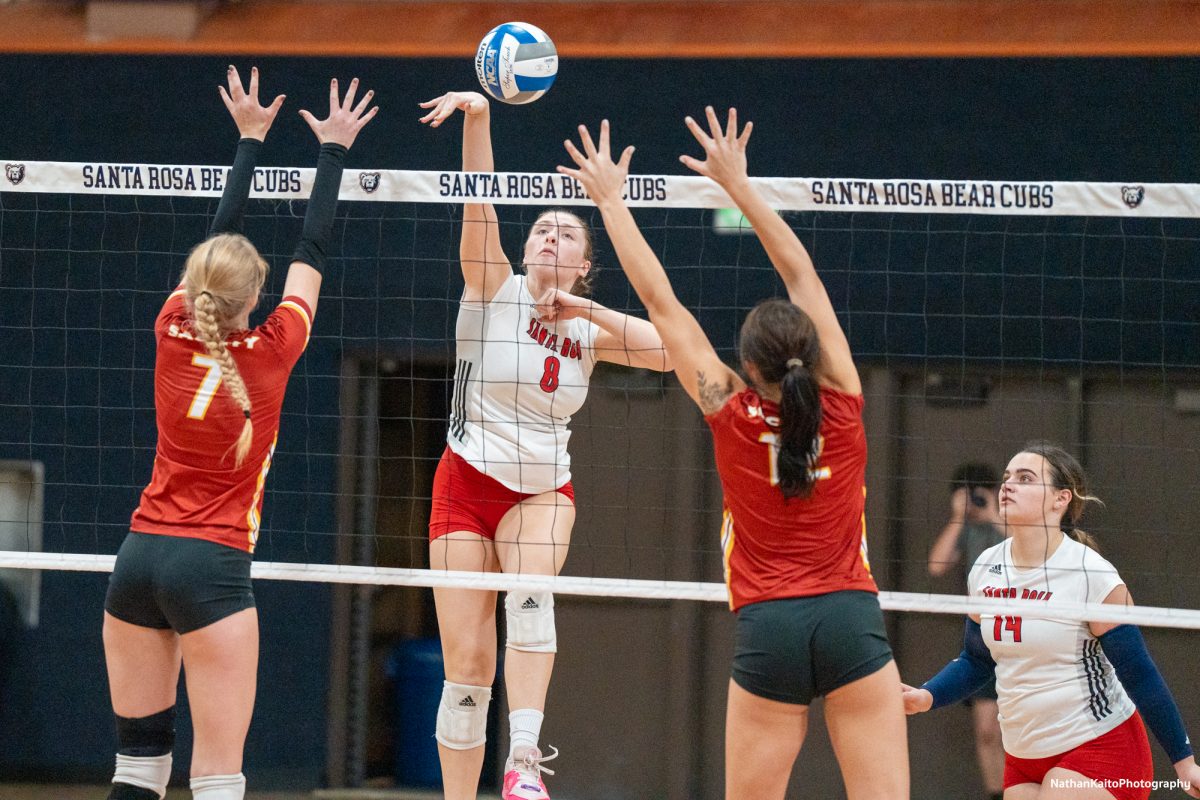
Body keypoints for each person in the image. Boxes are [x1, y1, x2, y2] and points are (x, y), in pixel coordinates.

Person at [557, 109, 909, 799]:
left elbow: (661, 301)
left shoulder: (728, 408)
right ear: (810, 353)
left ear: (748, 368)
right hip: (850, 621)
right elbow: (800, 272)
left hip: (769, 627)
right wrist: (738, 187)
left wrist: (608, 201)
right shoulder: (843, 398)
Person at [101, 67, 377, 800]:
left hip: (136, 561)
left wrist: (249, 140)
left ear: (194, 291)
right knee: (218, 777)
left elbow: (219, 241)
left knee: (138, 766)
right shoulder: (274, 349)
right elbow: (311, 253)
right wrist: (333, 152)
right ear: (256, 300)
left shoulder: (170, 327)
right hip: (210, 569)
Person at [417, 91, 672, 800]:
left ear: (585, 263)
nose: (550, 238)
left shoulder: (589, 329)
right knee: (467, 663)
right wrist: (479, 119)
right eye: (541, 230)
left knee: (530, 591)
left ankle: (524, 761)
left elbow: (672, 353)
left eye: (566, 235)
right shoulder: (491, 288)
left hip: (540, 491)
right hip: (463, 484)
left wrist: (584, 309)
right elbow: (480, 204)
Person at [902, 442, 1200, 800]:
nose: (1008, 485)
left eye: (1025, 478)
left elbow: (1138, 671)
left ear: (1061, 499)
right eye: (1008, 477)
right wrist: (928, 695)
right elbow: (977, 660)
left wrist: (1184, 761)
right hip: (1023, 755)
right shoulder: (985, 567)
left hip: (1100, 745)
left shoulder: (1091, 573)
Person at [928, 462, 1006, 800]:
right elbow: (936, 565)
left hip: (1023, 633)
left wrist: (994, 514)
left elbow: (1043, 555)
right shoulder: (965, 528)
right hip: (984, 638)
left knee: (1022, 730)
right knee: (987, 731)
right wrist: (959, 517)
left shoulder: (1010, 523)